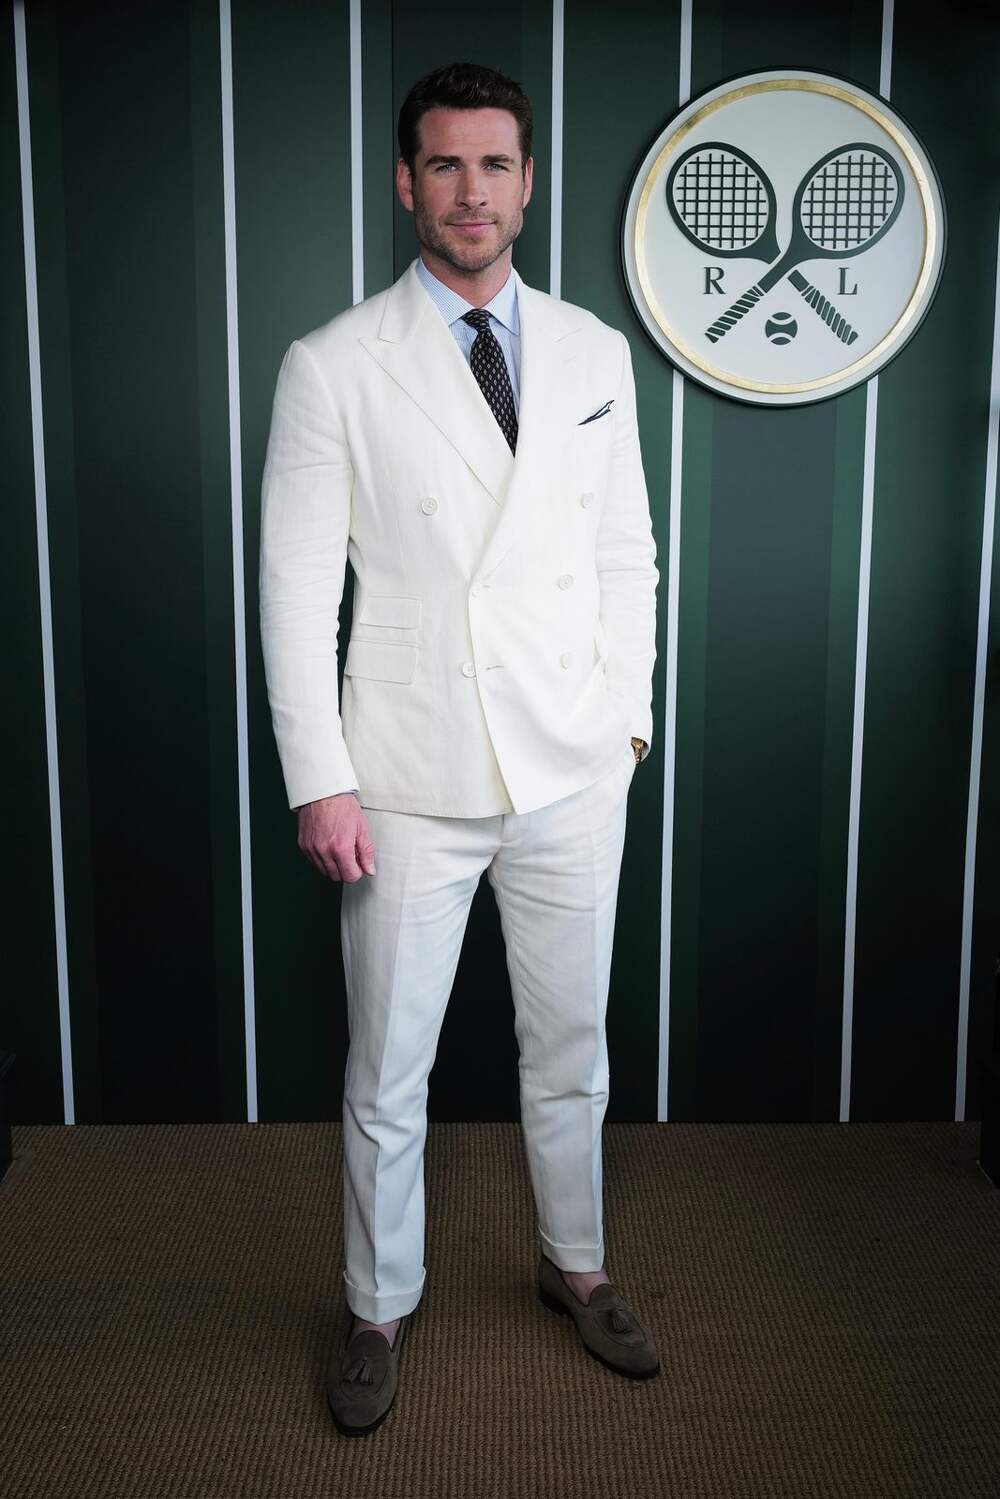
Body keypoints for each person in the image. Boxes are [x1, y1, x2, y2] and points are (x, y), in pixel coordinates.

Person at [259, 61, 660, 1436]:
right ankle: (377, 1306)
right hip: (406, 773)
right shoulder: (331, 364)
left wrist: (626, 720)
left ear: (527, 182)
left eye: (495, 165)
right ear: (405, 182)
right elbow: (295, 591)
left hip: (570, 763)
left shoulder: (595, 352)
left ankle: (578, 1265)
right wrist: (321, 777)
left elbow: (627, 552)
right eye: (445, 165)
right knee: (389, 1066)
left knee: (573, 1042)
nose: (471, 192)